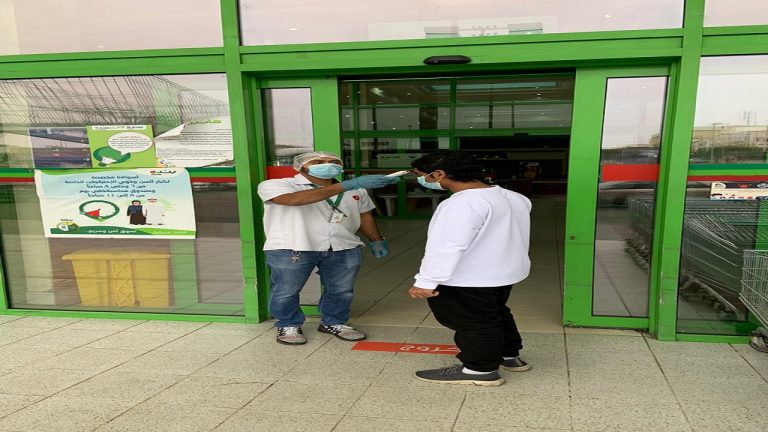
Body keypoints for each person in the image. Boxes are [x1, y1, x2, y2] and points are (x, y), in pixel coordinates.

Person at [407, 150, 532, 386]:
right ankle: (509, 355)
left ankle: (479, 369)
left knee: (473, 321)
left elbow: (447, 246)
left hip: (470, 277)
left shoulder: (461, 203)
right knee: (496, 313)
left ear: (439, 174)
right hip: (503, 273)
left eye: (421, 175)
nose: (421, 180)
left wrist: (425, 282)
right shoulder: (513, 197)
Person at [257, 151, 399, 345]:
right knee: (286, 290)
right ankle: (288, 324)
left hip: (343, 245)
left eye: (334, 161)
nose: (327, 164)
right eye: (317, 162)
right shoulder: (277, 185)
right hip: (293, 246)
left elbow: (364, 215)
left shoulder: (357, 190)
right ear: (301, 167)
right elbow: (293, 200)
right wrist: (347, 185)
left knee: (341, 290)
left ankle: (334, 322)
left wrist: (376, 239)